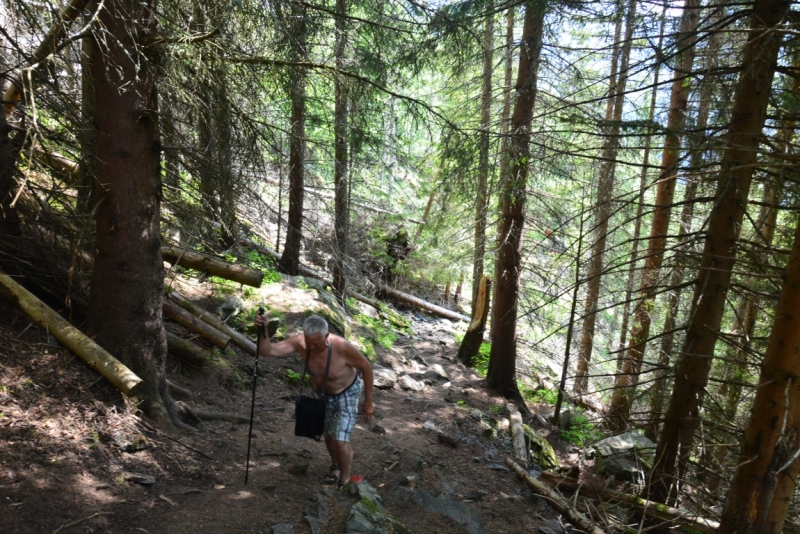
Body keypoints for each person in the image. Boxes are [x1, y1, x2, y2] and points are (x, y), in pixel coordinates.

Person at [254, 313, 374, 487]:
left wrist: (368, 401)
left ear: (326, 336)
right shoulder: (300, 342)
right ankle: (335, 466)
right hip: (324, 395)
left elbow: (366, 367)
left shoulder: (341, 347)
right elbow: (266, 351)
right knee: (330, 435)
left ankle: (345, 480)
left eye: (316, 344)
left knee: (340, 439)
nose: (311, 348)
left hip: (347, 392)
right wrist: (263, 330)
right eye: (308, 343)